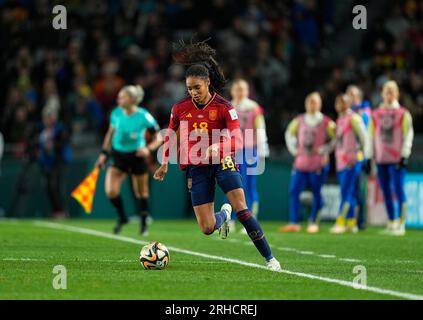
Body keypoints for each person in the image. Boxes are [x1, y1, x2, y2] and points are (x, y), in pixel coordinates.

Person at [153, 41, 281, 271]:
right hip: (196, 166)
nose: (193, 93)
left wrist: (218, 148)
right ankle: (223, 214)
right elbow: (170, 135)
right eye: (190, 88)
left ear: (208, 82)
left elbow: (238, 140)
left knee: (242, 210)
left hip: (223, 160)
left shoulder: (224, 107)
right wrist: (164, 163)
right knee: (206, 228)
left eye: (197, 88)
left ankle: (270, 259)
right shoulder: (180, 108)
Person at [96, 85, 162, 235]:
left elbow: (159, 137)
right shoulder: (116, 113)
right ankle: (122, 217)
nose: (118, 99)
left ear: (132, 100)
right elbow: (110, 134)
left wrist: (148, 149)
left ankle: (144, 222)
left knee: (142, 193)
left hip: (136, 156)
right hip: (119, 156)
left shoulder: (143, 115)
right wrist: (103, 154)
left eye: (122, 96)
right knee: (111, 191)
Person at [281, 92, 336, 233]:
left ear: (320, 104)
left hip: (318, 164)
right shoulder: (299, 120)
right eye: (310, 102)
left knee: (316, 193)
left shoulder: (326, 122)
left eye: (315, 102)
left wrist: (325, 149)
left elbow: (337, 139)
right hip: (301, 164)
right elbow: (288, 134)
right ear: (306, 104)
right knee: (294, 191)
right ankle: (294, 222)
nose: (312, 104)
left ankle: (314, 221)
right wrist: (294, 149)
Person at [371, 80, 414, 236]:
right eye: (386, 91)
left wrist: (405, 154)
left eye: (392, 91)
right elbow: (371, 136)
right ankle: (391, 222)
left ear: (397, 94)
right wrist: (371, 157)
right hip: (381, 159)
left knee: (398, 189)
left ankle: (401, 224)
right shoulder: (375, 114)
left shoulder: (403, 113)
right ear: (382, 94)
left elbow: (408, 134)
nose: (389, 94)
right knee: (386, 192)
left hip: (396, 159)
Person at [228, 79, 269, 233]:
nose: (240, 92)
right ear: (232, 90)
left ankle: (251, 221)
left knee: (250, 186)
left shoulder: (254, 108)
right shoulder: (227, 107)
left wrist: (262, 150)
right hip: (232, 150)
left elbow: (261, 128)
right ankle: (229, 220)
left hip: (250, 150)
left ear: (247, 91)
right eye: (237, 89)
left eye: (243, 89)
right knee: (230, 185)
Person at [330, 94, 371, 234]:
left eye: (343, 102)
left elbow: (365, 138)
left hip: (352, 161)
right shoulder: (340, 119)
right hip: (341, 162)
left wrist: (366, 157)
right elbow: (338, 141)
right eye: (338, 102)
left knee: (347, 192)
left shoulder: (353, 118)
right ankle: (351, 222)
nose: (339, 104)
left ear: (349, 104)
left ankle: (341, 221)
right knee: (348, 192)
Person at [346, 85, 373, 229]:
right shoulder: (345, 113)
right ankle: (349, 219)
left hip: (359, 156)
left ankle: (360, 220)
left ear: (359, 97)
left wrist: (367, 157)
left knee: (357, 189)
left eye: (353, 94)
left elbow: (366, 136)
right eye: (348, 94)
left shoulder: (364, 112)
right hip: (345, 157)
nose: (350, 96)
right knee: (348, 189)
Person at [38, 107, 72, 218]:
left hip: (59, 162)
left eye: (49, 117)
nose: (47, 120)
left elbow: (64, 141)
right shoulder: (43, 132)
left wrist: (54, 144)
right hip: (47, 163)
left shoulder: (59, 128)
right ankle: (55, 210)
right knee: (48, 187)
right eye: (45, 118)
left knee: (56, 186)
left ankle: (62, 211)